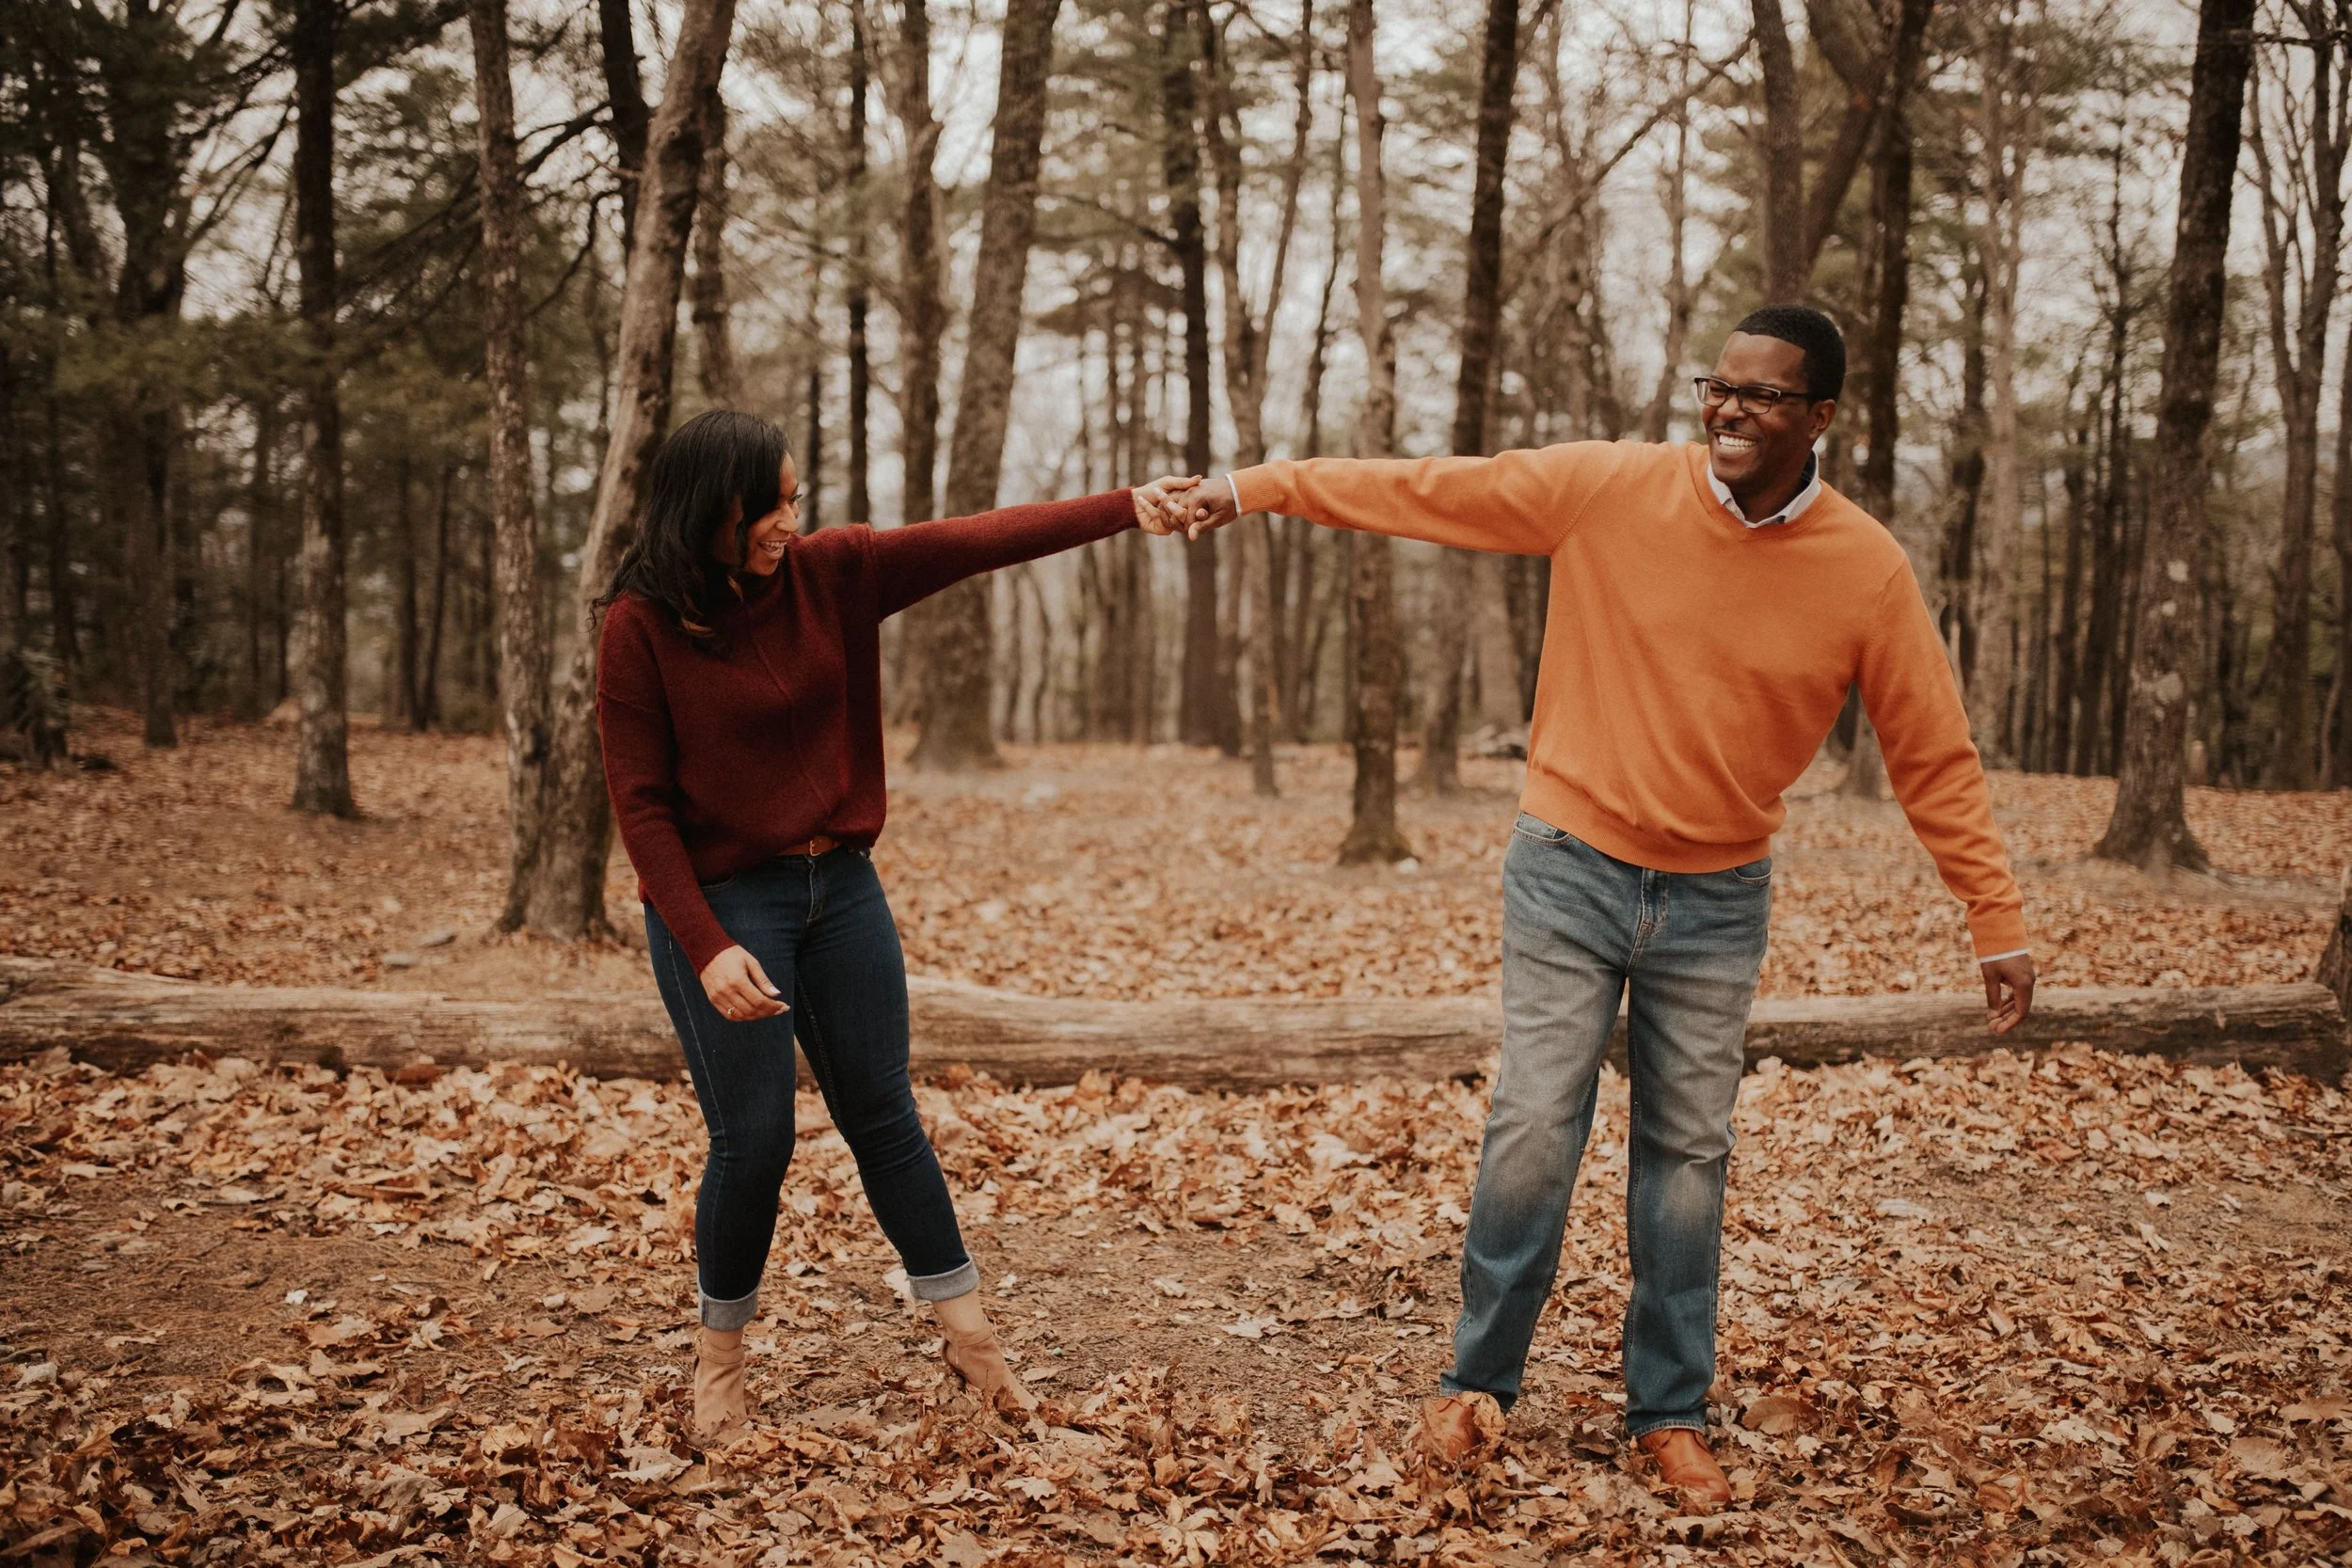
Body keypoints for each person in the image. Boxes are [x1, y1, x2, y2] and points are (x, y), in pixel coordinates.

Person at [1178, 305, 2035, 1508]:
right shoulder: (1608, 487)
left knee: (1687, 1154)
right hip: (1569, 862)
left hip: (1718, 893)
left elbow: (1931, 750)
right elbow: (1430, 488)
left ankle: (1667, 1413)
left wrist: (1989, 913)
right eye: (1716, 385)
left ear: (1822, 417)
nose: (1728, 408)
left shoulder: (1864, 566)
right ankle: (1476, 1386)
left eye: (1763, 394)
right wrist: (1255, 485)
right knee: (1534, 1122)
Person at [596, 409, 1199, 1439]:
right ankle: (719, 1365)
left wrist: (1123, 509)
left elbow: (982, 537)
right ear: (714, 506)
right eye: (772, 503)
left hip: (844, 894)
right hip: (726, 906)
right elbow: (640, 806)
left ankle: (974, 1347)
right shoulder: (639, 624)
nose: (793, 517)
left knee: (884, 1118)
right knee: (756, 1140)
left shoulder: (835, 574)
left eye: (797, 497)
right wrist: (705, 945)